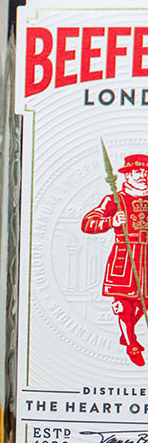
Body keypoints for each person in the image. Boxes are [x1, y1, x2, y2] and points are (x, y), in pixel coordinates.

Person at [82, 153, 148, 367]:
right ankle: (131, 344)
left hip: (146, 258)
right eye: (137, 172)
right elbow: (88, 222)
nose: (142, 176)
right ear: (127, 175)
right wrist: (111, 221)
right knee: (124, 305)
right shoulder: (114, 199)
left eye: (145, 172)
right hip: (125, 258)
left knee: (144, 303)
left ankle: (127, 331)